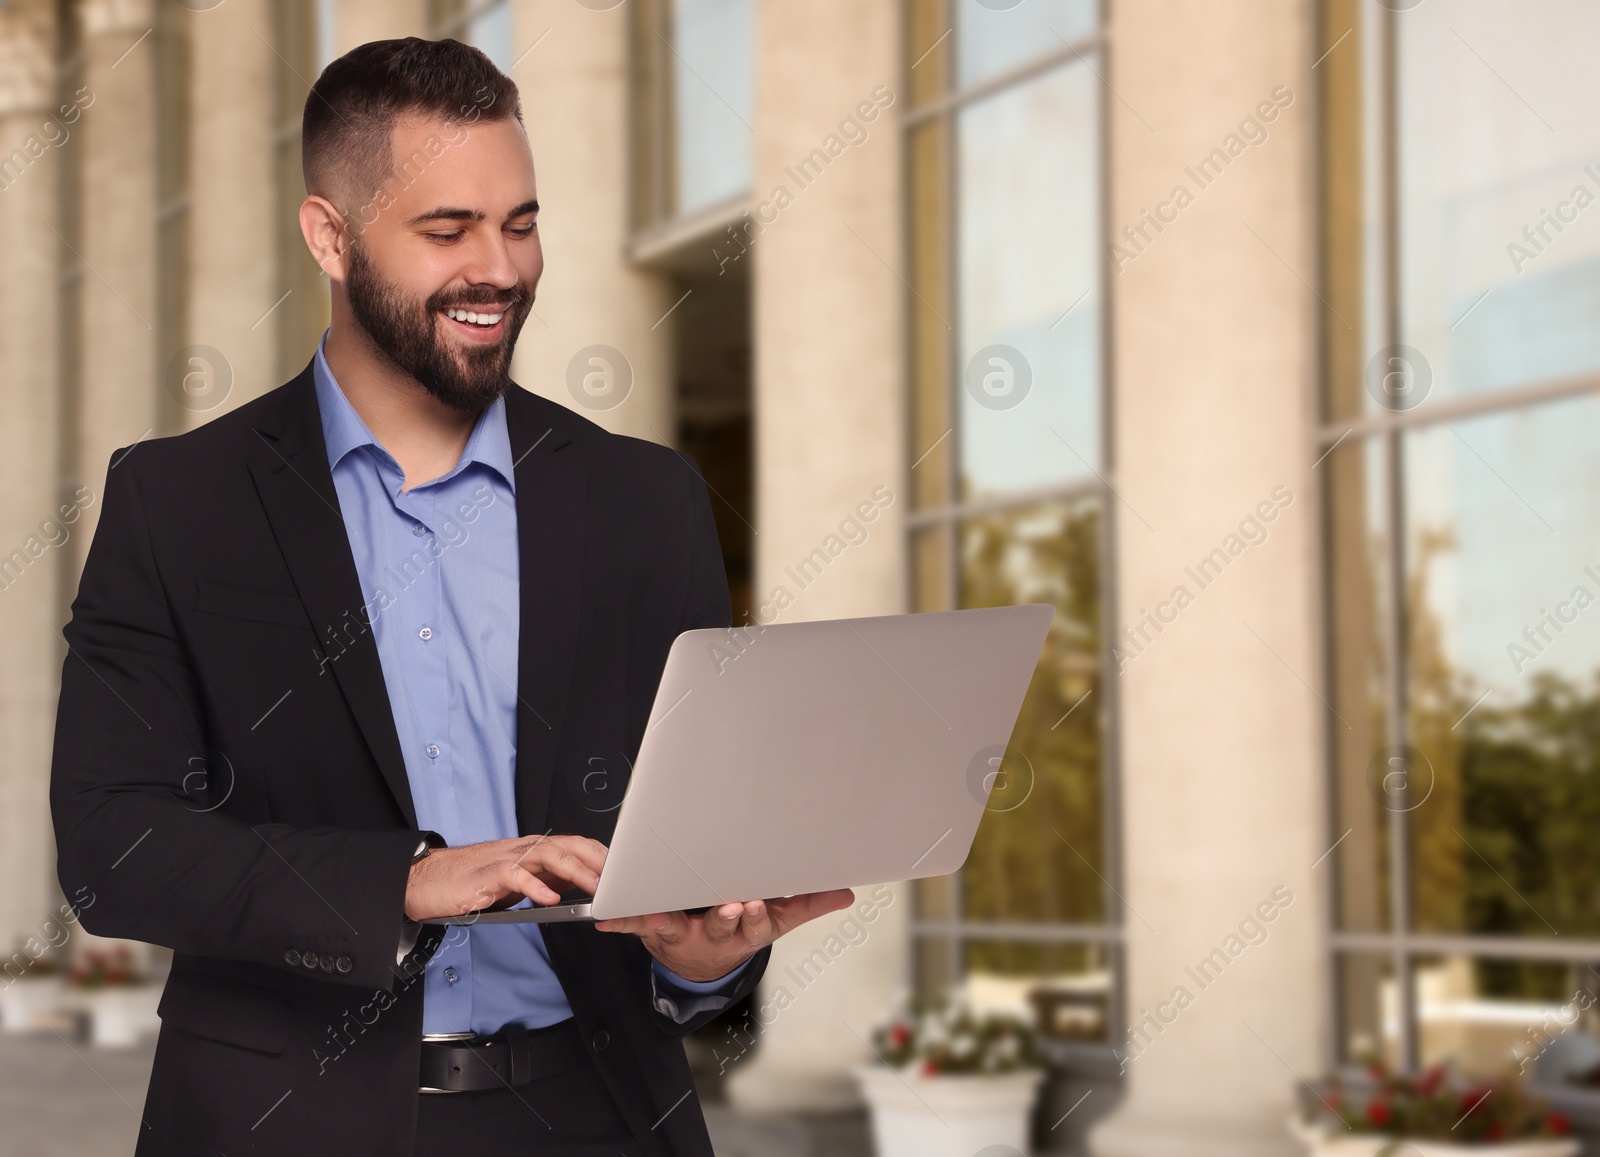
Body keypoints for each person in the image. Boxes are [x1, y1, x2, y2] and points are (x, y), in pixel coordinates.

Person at [49, 37, 851, 1157]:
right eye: (448, 230)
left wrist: (701, 954)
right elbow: (111, 843)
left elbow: (678, 824)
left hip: (599, 1113)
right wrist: (405, 882)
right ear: (329, 235)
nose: (501, 268)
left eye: (520, 223)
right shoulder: (177, 503)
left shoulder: (645, 499)